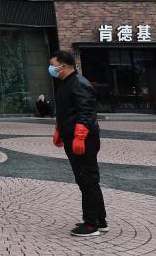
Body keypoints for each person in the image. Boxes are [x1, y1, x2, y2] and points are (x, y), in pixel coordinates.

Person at [50, 50, 107, 237]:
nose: (51, 68)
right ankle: (99, 219)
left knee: (87, 179)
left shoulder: (80, 84)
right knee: (86, 179)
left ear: (64, 66)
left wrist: (80, 136)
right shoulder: (66, 84)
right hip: (72, 137)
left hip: (83, 140)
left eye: (53, 64)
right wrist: (60, 130)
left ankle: (91, 225)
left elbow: (86, 112)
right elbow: (67, 112)